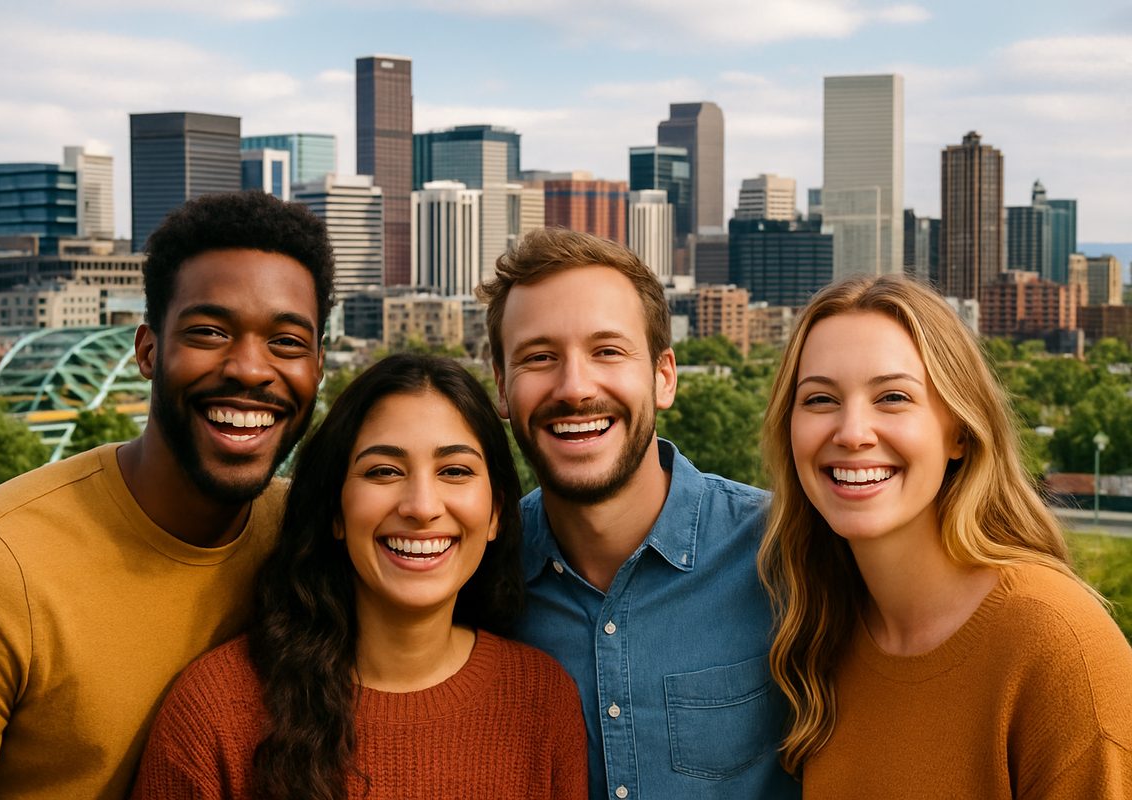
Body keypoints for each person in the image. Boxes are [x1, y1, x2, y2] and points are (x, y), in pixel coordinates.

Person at [0, 191, 334, 800]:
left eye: (286, 342)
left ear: (319, 368)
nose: (251, 369)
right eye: (208, 331)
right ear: (148, 350)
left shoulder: (311, 537)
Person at [130, 353, 587, 799]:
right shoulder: (214, 714)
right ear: (336, 512)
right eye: (384, 471)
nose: (422, 507)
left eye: (454, 470)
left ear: (495, 514)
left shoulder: (542, 701)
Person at [758, 274, 1132, 797]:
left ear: (959, 430)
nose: (852, 432)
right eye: (820, 400)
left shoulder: (1058, 646)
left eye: (892, 397)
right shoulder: (817, 633)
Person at [477, 227, 798, 800]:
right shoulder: (473, 576)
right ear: (501, 387)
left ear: (663, 376)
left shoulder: (786, 553)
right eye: (540, 357)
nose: (574, 388)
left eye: (607, 351)